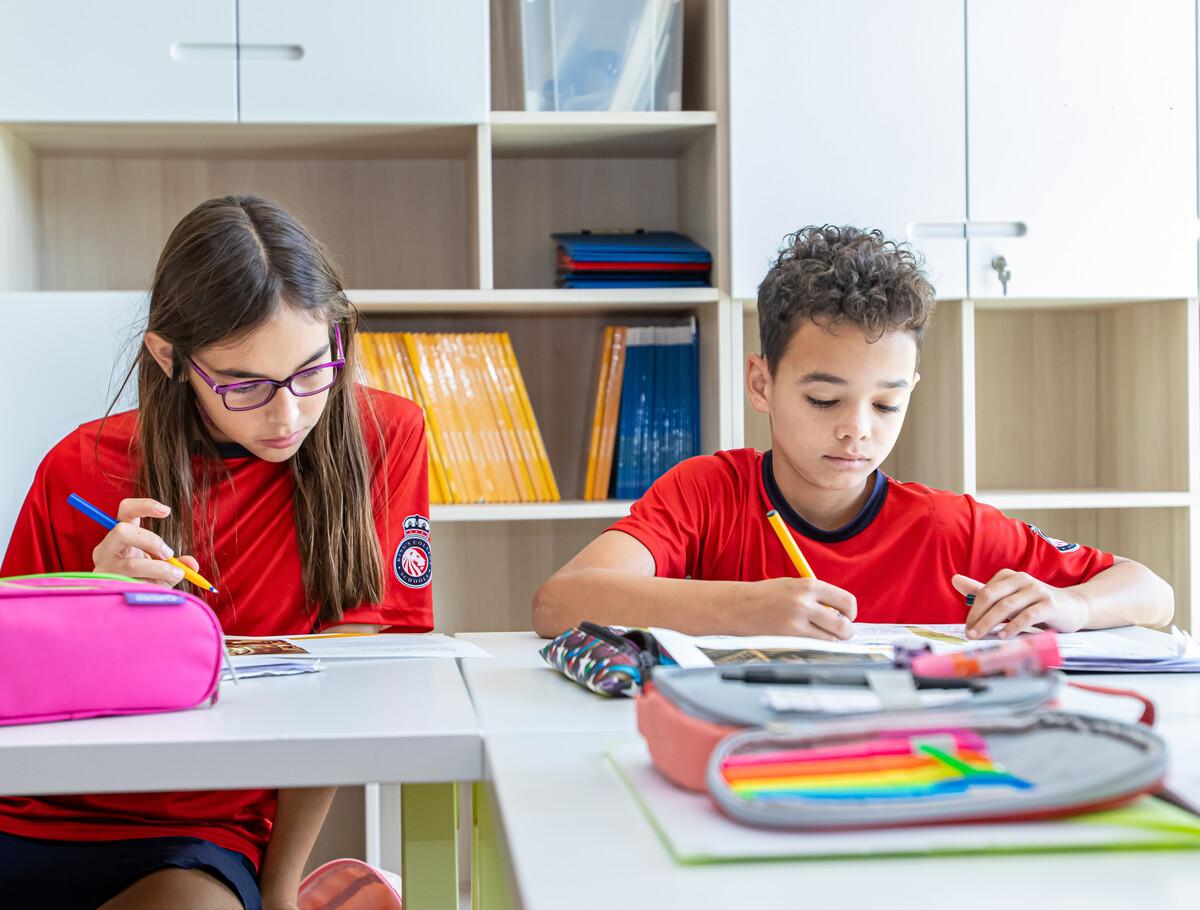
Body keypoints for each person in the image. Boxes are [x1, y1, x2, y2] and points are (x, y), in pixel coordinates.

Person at [0, 194, 433, 910]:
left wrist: (280, 888)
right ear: (169, 357)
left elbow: (344, 693)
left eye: (312, 370)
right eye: (244, 385)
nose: (287, 413)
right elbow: (13, 683)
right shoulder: (79, 467)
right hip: (26, 816)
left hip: (197, 837)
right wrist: (91, 602)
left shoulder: (385, 437)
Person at [533, 225, 1172, 642]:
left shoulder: (949, 529)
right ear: (761, 385)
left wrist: (1073, 609)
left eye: (887, 405)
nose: (856, 431)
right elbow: (560, 603)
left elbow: (1152, 590)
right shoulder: (706, 494)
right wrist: (742, 610)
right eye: (823, 398)